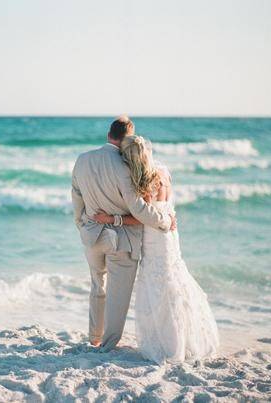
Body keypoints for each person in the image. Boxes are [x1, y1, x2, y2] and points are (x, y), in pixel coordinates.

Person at [92, 135, 220, 363]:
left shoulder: (145, 183)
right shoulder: (163, 172)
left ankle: (170, 343)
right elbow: (166, 208)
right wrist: (169, 216)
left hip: (155, 237)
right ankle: (187, 339)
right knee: (174, 279)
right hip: (170, 237)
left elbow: (142, 218)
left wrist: (111, 219)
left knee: (159, 285)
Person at [71, 116, 176, 352]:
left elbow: (76, 195)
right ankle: (107, 345)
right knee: (117, 297)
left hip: (91, 234)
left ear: (110, 134)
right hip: (122, 240)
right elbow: (138, 208)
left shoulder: (83, 159)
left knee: (98, 286)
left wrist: (81, 224)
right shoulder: (124, 167)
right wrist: (164, 220)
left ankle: (94, 338)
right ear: (127, 138)